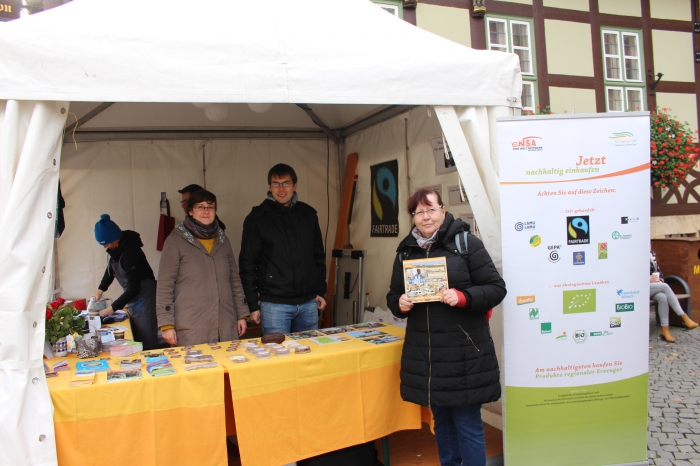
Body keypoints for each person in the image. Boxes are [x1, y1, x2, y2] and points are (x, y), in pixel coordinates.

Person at [386, 188, 506, 466]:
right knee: (442, 423)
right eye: (419, 212)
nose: (426, 216)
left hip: (464, 351)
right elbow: (393, 295)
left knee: (466, 422)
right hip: (428, 354)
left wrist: (464, 297)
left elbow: (496, 288)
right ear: (412, 217)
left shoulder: (466, 243)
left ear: (443, 210)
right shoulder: (406, 251)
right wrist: (400, 303)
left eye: (431, 209)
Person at [239, 163, 327, 334]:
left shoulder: (308, 215)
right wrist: (252, 304)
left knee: (308, 356)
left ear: (295, 186)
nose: (281, 189)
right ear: (269, 186)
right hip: (274, 305)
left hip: (309, 303)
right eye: (276, 184)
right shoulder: (257, 219)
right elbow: (247, 265)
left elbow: (318, 258)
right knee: (277, 356)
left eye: (286, 183)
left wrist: (321, 291)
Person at [156, 189, 248, 346]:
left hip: (225, 325)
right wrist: (166, 325)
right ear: (190, 211)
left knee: (228, 368)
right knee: (197, 369)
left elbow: (234, 279)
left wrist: (241, 314)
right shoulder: (175, 241)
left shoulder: (223, 240)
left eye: (210, 206)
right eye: (200, 206)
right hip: (192, 327)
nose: (206, 211)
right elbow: (165, 284)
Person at [91, 214, 159, 350]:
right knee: (138, 333)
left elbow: (134, 288)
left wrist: (113, 308)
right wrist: (100, 289)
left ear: (115, 239)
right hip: (134, 296)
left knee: (146, 335)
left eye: (106, 244)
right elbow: (110, 270)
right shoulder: (115, 250)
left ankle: (152, 361)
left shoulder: (130, 252)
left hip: (144, 296)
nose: (105, 248)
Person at [651, 250, 698, 342]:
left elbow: (659, 272)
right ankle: (684, 317)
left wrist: (660, 280)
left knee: (662, 297)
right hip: (638, 288)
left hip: (652, 287)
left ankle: (665, 330)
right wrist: (647, 278)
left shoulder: (651, 255)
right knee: (665, 287)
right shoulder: (635, 256)